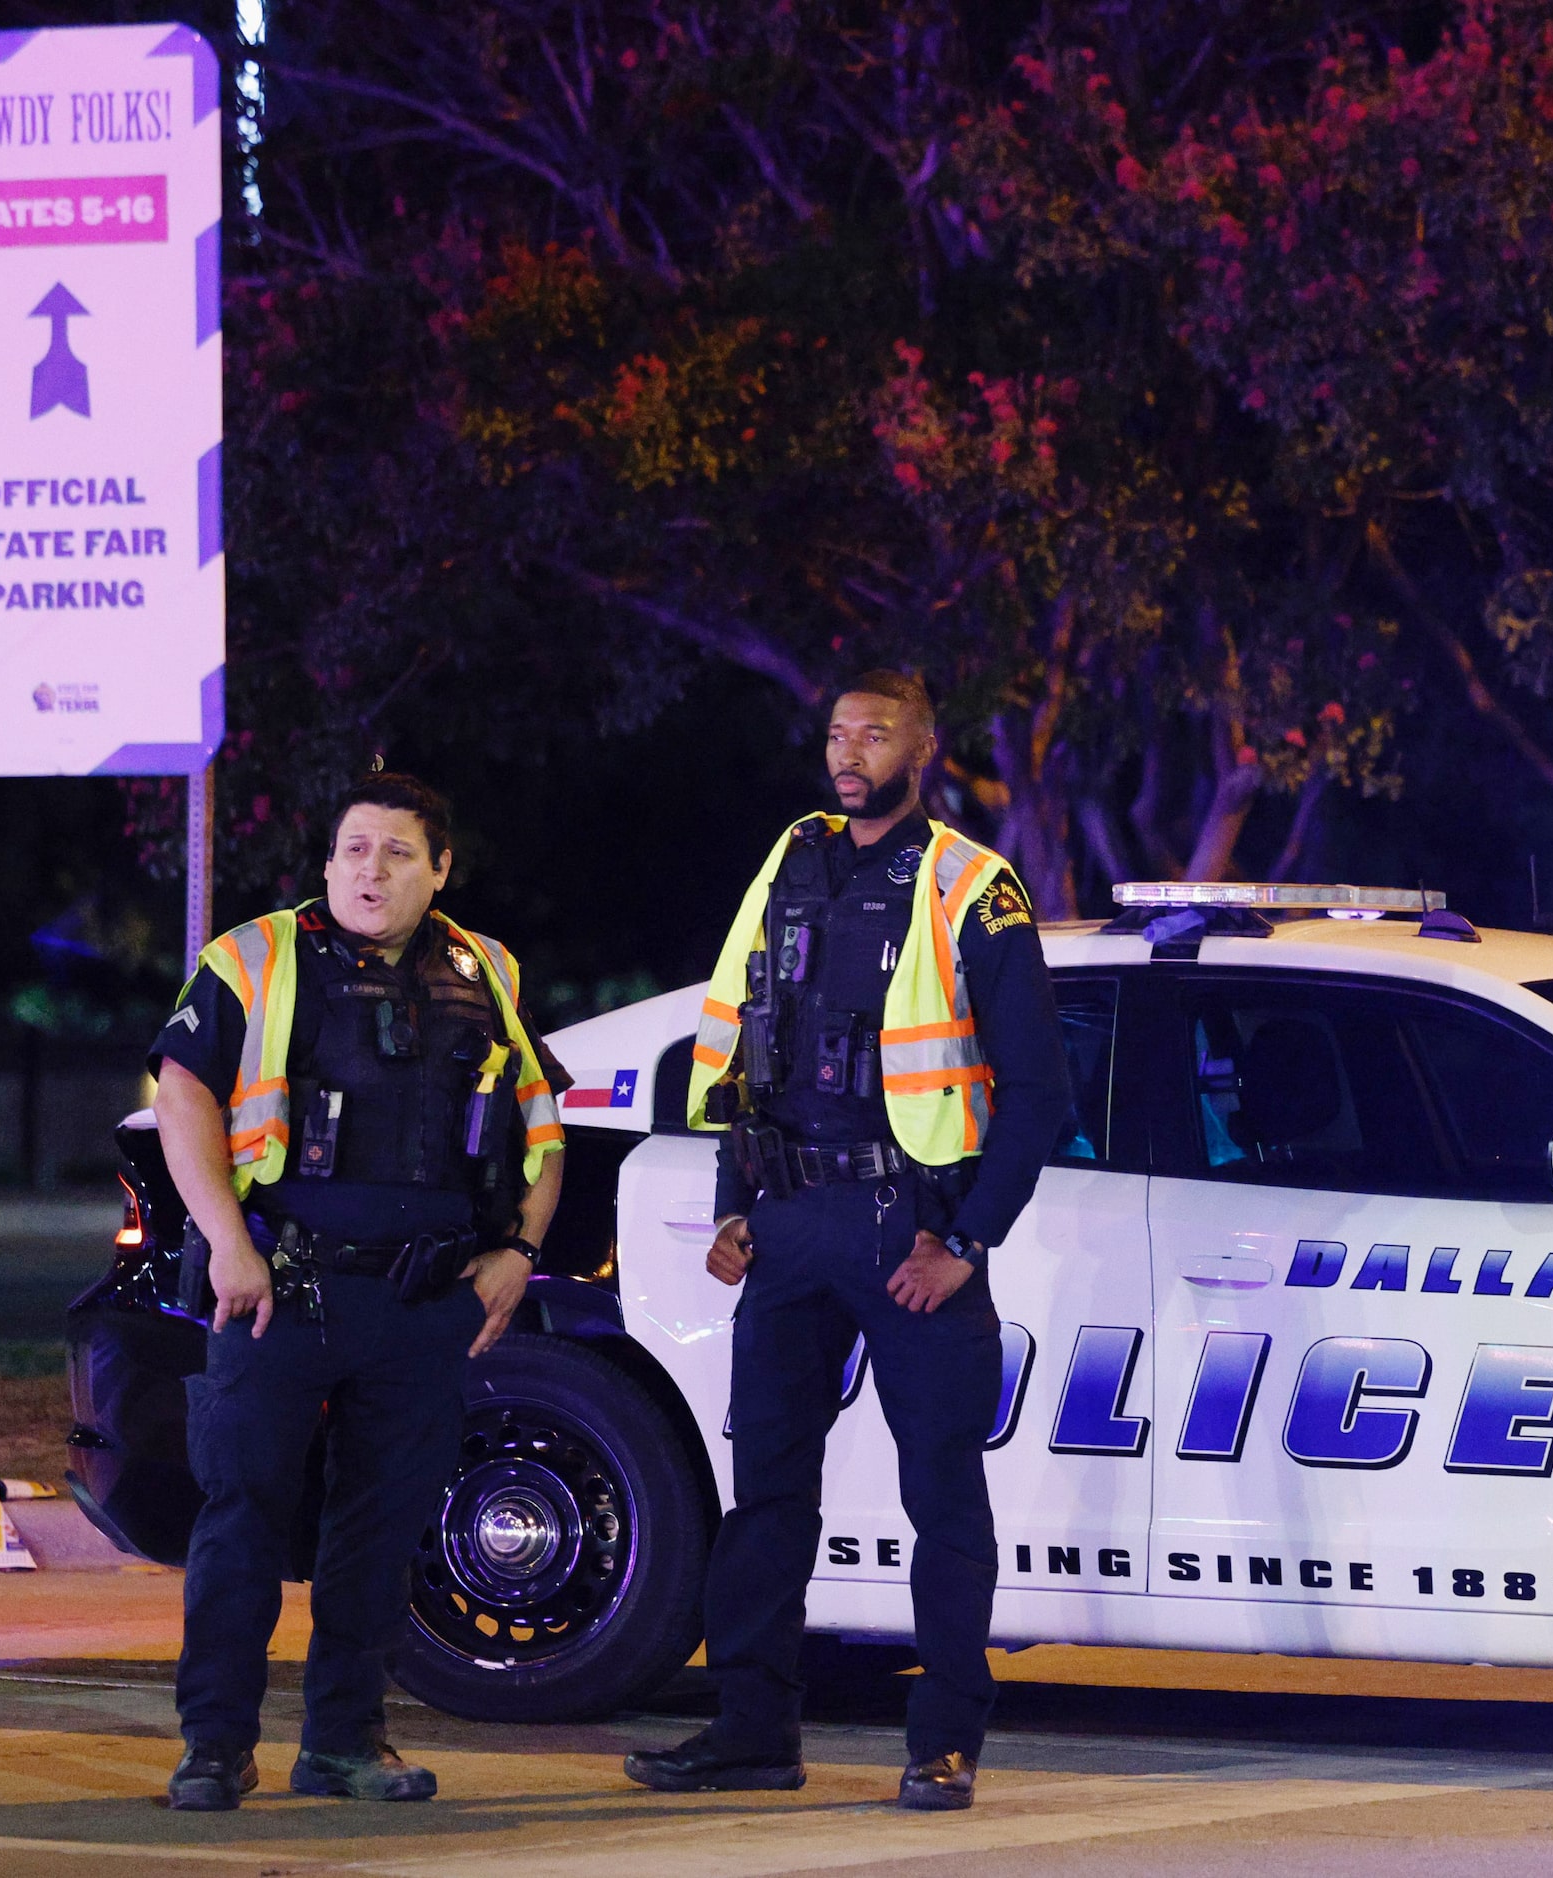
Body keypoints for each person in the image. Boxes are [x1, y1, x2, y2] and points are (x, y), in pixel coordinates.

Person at [623, 671, 1069, 1812]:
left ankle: (944, 1741)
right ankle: (752, 1734)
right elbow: (739, 1040)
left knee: (942, 1499)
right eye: (836, 731)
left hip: (905, 1234)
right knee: (765, 1498)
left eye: (875, 732)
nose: (849, 748)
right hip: (785, 1227)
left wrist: (964, 1242)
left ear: (922, 747)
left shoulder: (976, 886)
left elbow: (1036, 1093)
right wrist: (731, 1205)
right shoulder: (792, 861)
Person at [152, 770, 568, 1811]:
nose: (367, 870)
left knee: (380, 1534)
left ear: (439, 870)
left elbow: (544, 1126)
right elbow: (182, 1096)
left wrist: (518, 1250)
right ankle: (214, 1746)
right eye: (351, 850)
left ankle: (343, 1743)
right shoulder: (253, 956)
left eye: (393, 852)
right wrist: (225, 1243)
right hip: (277, 1289)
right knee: (241, 1519)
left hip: (422, 1303)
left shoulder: (489, 969)